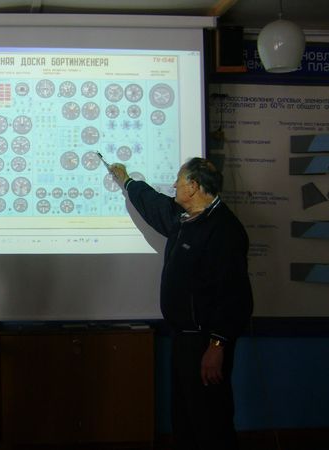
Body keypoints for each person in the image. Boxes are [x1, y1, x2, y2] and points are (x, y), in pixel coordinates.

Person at [109, 157, 253, 450]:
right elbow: (154, 204)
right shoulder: (185, 219)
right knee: (186, 418)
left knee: (210, 420)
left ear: (194, 186)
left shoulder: (224, 230)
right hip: (184, 340)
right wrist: (126, 181)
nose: (174, 185)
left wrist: (217, 346)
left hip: (205, 342)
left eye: (179, 180)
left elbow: (234, 295)